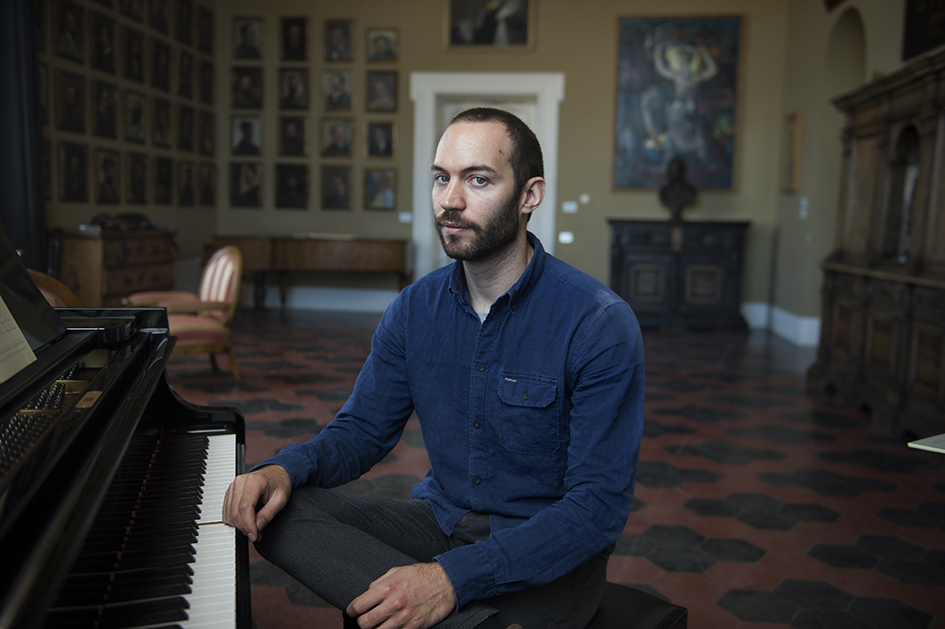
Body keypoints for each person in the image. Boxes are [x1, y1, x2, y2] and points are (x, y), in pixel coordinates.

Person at [222, 107, 645, 629]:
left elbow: (596, 511)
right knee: (278, 512)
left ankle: (436, 608)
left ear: (529, 196)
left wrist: (449, 579)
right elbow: (362, 432)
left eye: (478, 180)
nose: (451, 200)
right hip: (440, 523)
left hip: (546, 553)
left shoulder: (598, 323)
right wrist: (282, 468)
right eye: (442, 178)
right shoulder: (413, 309)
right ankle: (445, 614)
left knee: (401, 603)